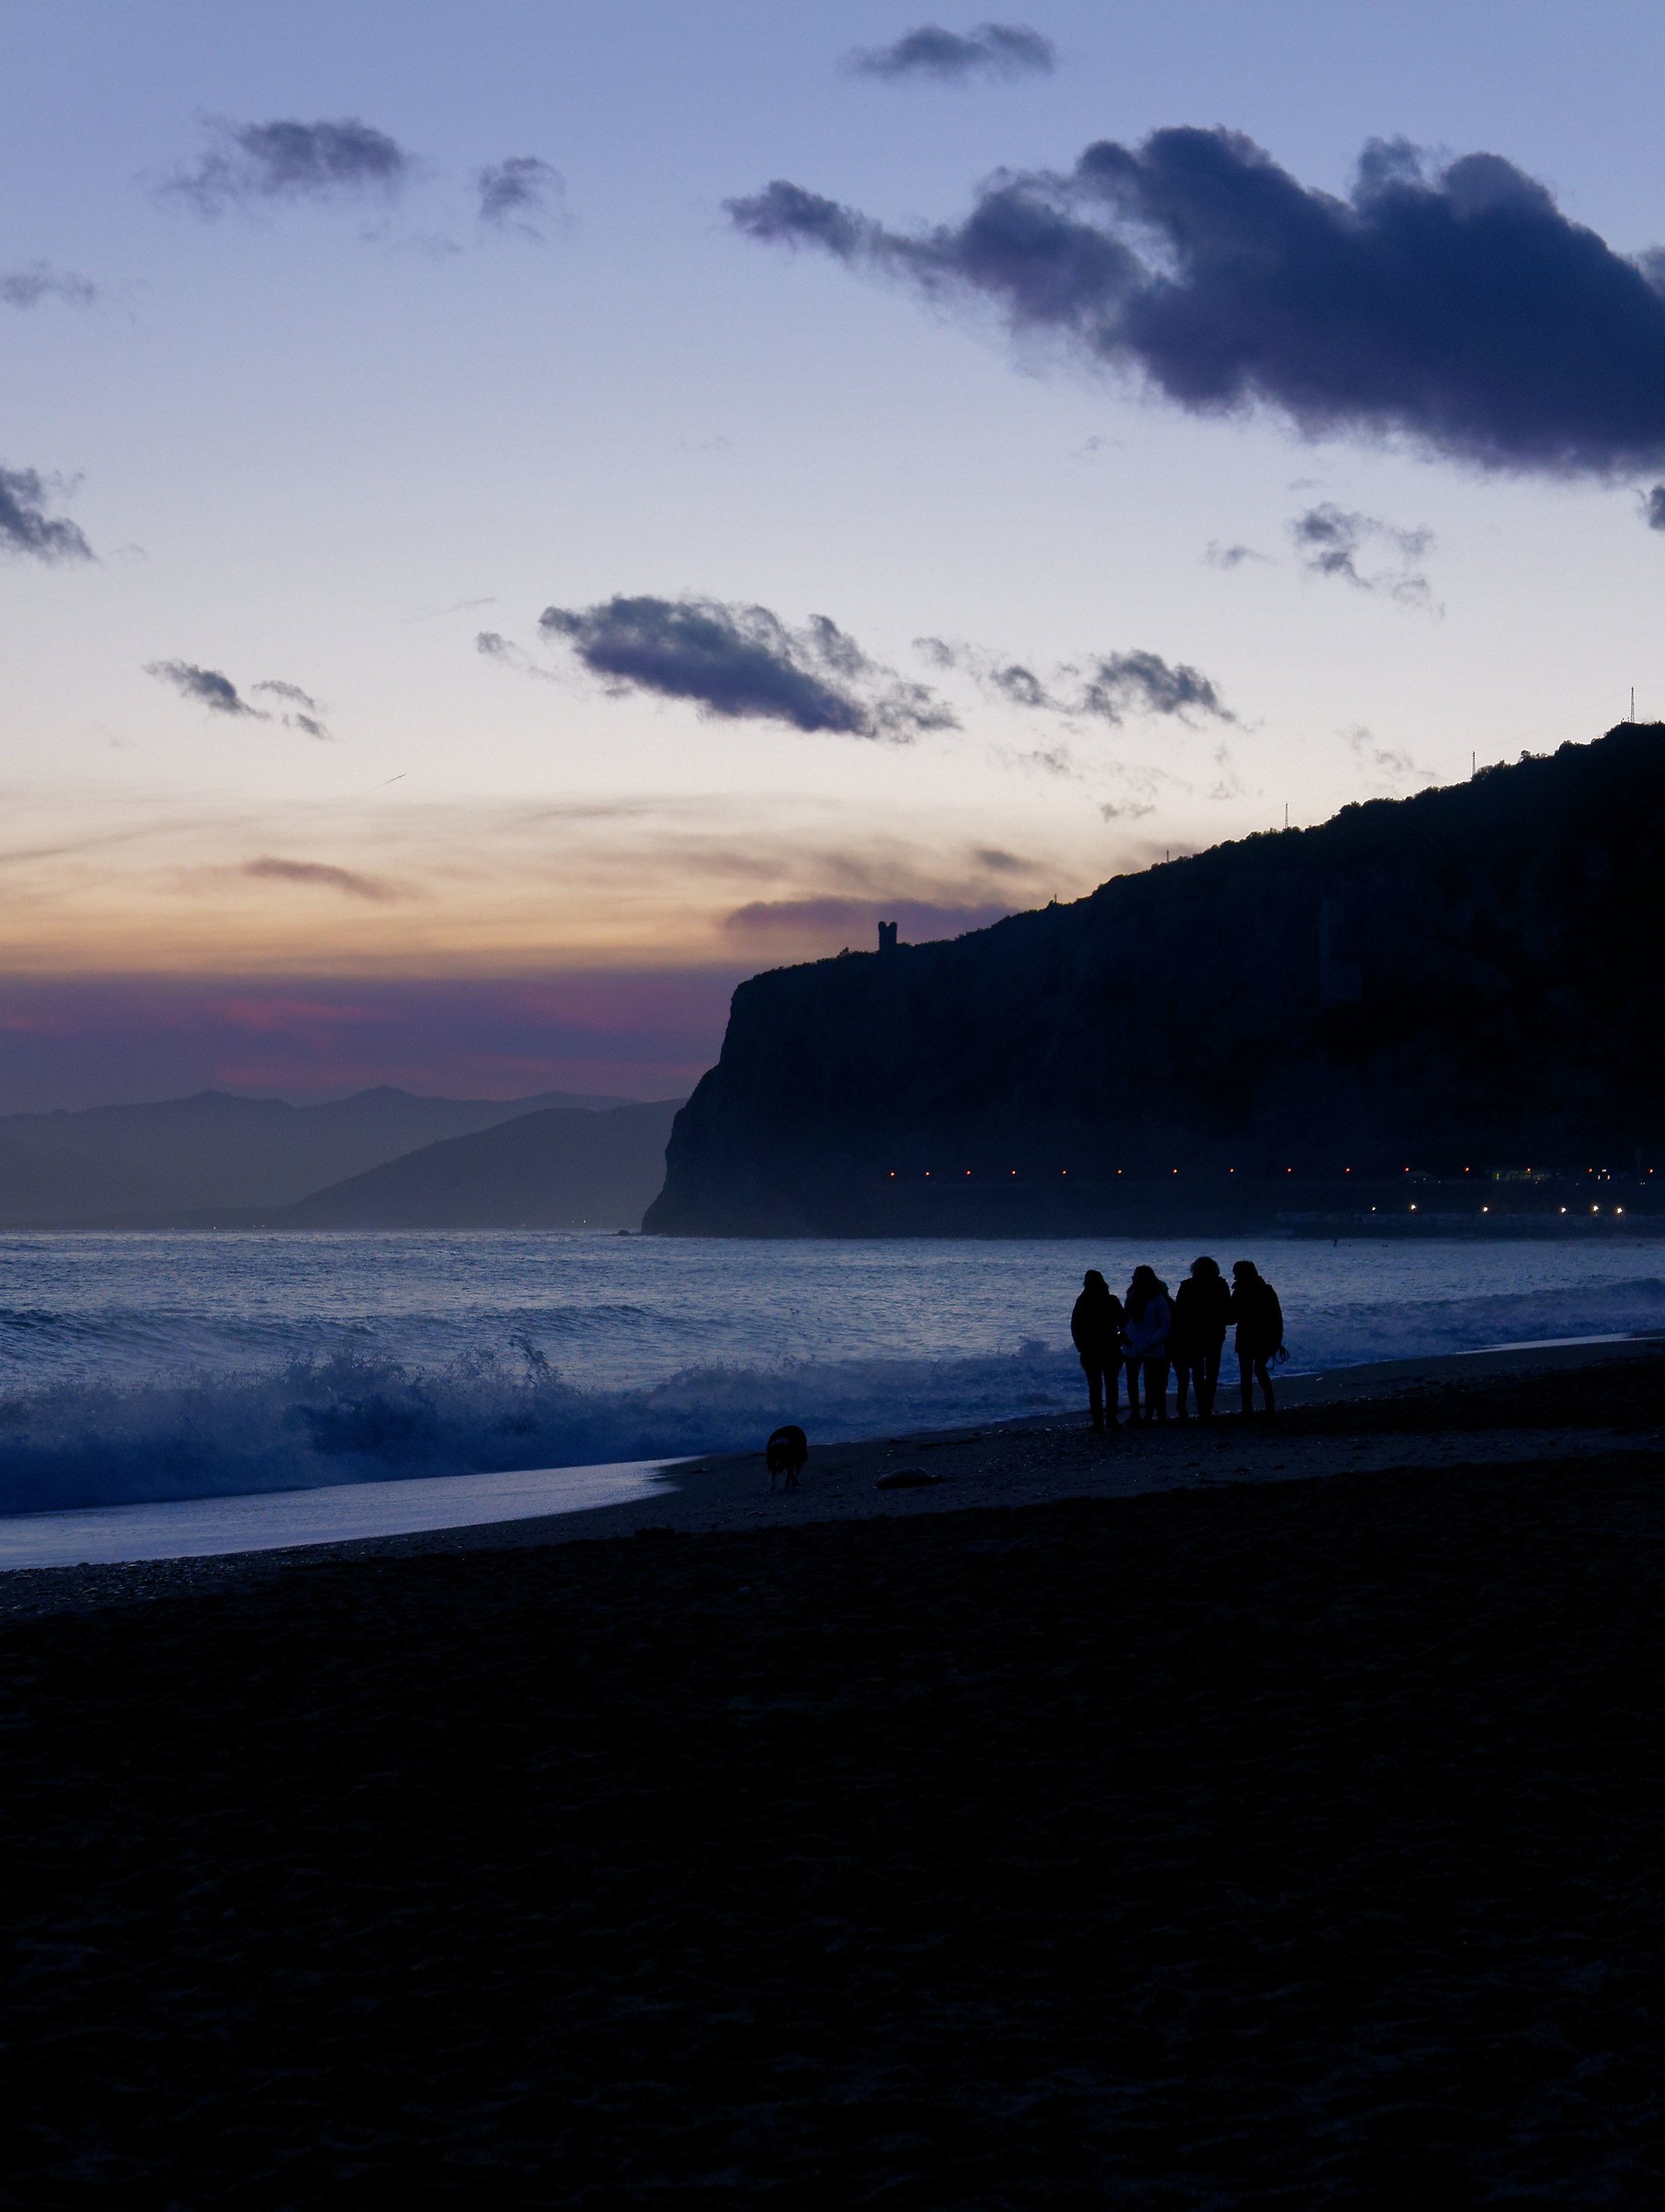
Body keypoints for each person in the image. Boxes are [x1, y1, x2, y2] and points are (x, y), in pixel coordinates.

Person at [1171, 1256, 1233, 1418]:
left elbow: (1179, 1311)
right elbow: (1227, 1308)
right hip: (1214, 1332)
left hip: (1193, 1333)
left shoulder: (1187, 1285)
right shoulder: (1220, 1284)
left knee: (1198, 1371)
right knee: (1212, 1371)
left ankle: (1201, 1405)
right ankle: (1207, 1406)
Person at [1070, 1269, 1124, 1432]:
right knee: (1111, 1384)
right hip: (1110, 1347)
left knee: (1095, 1386)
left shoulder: (1082, 1301)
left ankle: (1099, 1421)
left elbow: (1075, 1326)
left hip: (1091, 1349)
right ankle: (1111, 1418)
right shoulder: (1110, 1300)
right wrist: (1120, 1338)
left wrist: (1081, 1346)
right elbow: (1124, 1321)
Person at [1230, 1260, 1285, 1416]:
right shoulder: (1266, 1290)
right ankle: (1269, 1405)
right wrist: (1277, 1339)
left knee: (1246, 1374)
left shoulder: (1239, 1291)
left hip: (1247, 1336)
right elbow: (1277, 1317)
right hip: (1265, 1337)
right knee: (1260, 1370)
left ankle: (1247, 1408)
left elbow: (1232, 1317)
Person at [1121, 1265, 1172, 1423]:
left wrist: (1152, 1341)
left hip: (1151, 1347)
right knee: (1132, 1380)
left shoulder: (1158, 1299)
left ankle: (1149, 1414)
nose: (1133, 1278)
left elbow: (1165, 1324)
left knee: (1151, 1382)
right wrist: (1122, 1336)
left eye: (1136, 1276)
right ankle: (1135, 1413)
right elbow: (1125, 1320)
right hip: (1132, 1345)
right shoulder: (1131, 1295)